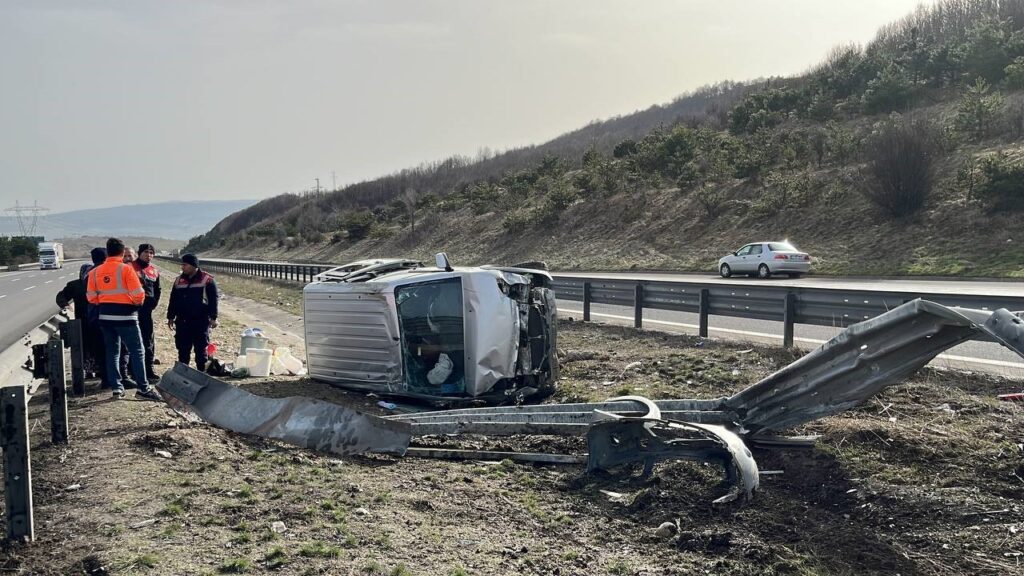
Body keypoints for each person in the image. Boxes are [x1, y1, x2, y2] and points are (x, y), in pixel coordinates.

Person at [85, 237, 163, 401]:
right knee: (137, 351)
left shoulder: (94, 272)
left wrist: (106, 303)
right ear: (122, 252)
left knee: (112, 352)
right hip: (127, 316)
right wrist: (133, 305)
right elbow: (139, 294)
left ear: (108, 251)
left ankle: (117, 389)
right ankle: (143, 388)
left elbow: (91, 298)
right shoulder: (126, 269)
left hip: (105, 317)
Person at [167, 254, 218, 372]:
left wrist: (213, 317)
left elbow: (213, 300)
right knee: (183, 350)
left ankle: (202, 373)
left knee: (201, 350)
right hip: (182, 321)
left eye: (185, 265)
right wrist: (170, 316)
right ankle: (184, 374)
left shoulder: (207, 280)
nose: (182, 267)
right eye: (182, 264)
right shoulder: (179, 280)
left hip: (201, 321)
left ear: (194, 266)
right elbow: (173, 300)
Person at [132, 243, 161, 380]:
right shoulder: (130, 268)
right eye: (145, 252)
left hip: (147, 311)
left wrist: (153, 303)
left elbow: (157, 289)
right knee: (132, 341)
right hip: (131, 310)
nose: (148, 255)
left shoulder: (154, 271)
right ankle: (132, 371)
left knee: (148, 340)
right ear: (139, 253)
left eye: (151, 253)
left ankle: (149, 369)